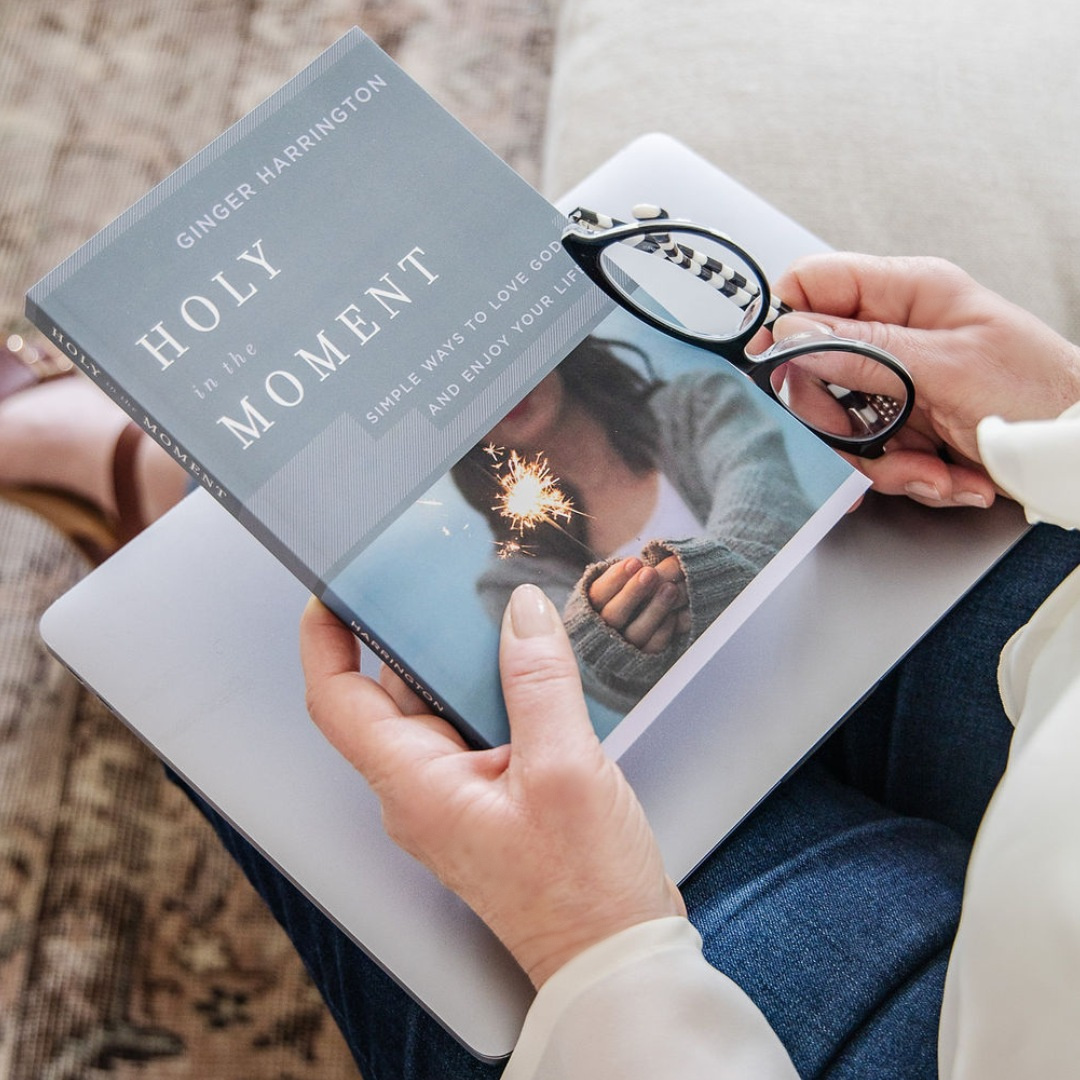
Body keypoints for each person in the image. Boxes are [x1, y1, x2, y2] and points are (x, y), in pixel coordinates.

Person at [4, 253, 1078, 1077]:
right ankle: (163, 491)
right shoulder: (508, 572)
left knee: (250, 690)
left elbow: (761, 508)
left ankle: (151, 492)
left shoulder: (688, 409)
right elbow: (584, 677)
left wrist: (588, 945)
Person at [449, 334, 814, 711]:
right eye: (459, 387)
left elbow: (774, 520)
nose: (493, 389)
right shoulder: (511, 585)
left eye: (496, 355)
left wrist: (692, 583)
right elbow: (603, 680)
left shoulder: (696, 404)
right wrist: (607, 649)